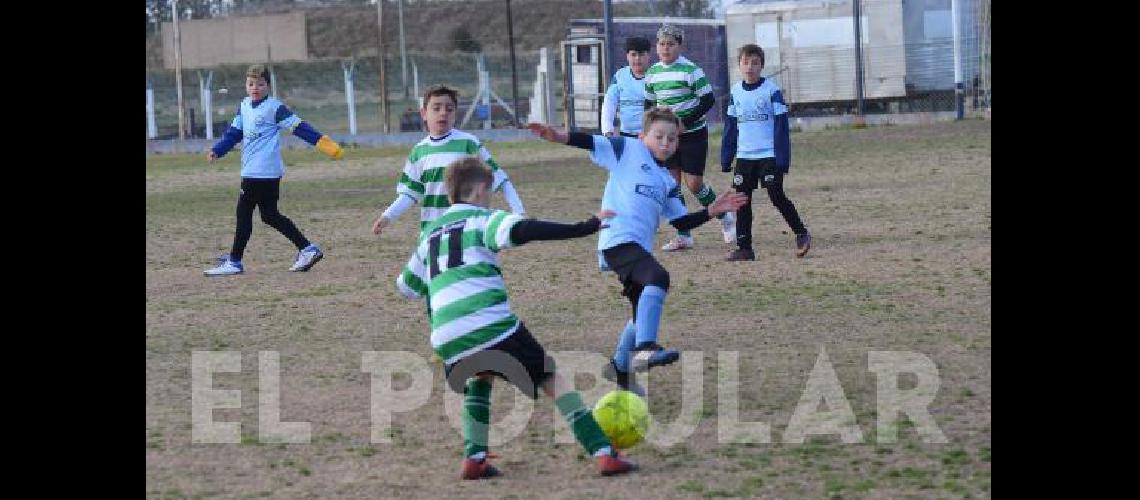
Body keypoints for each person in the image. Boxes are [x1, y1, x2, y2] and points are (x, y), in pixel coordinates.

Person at [204, 64, 344, 276]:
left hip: (261, 172)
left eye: (260, 84)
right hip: (256, 171)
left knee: (244, 214)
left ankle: (234, 261)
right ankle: (307, 249)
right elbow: (233, 133)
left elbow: (300, 128)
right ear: (246, 85)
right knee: (269, 215)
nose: (255, 88)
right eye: (251, 84)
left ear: (268, 86)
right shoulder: (243, 106)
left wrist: (328, 146)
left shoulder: (274, 108)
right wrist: (218, 149)